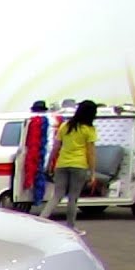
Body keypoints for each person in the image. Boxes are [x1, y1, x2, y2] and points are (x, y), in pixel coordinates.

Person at [39, 99, 98, 233]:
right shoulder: (89, 130)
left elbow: (56, 147)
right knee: (73, 197)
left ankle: (41, 221)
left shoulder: (65, 126)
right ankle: (71, 227)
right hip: (79, 165)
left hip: (62, 164)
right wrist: (93, 172)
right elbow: (91, 153)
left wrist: (49, 164)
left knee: (57, 196)